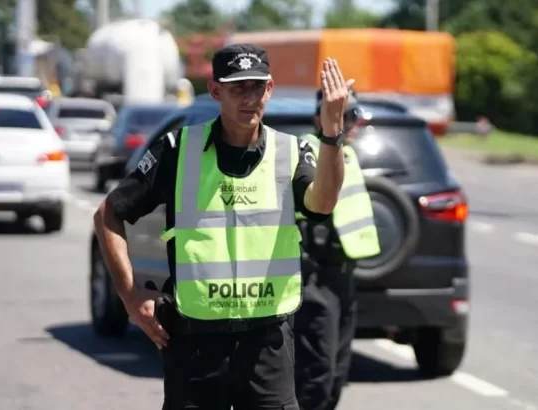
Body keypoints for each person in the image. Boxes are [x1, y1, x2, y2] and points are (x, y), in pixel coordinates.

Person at [92, 43, 354, 410]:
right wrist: (131, 296)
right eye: (237, 88)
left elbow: (323, 202)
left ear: (270, 89)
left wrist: (332, 131)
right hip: (194, 344)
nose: (250, 98)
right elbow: (108, 215)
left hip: (267, 342)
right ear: (216, 91)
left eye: (257, 87)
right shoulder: (178, 149)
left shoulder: (290, 151)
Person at [293, 88, 381, 410]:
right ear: (320, 117)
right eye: (343, 116)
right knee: (316, 373)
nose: (351, 123)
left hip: (344, 277)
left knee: (337, 374)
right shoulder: (307, 149)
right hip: (315, 275)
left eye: (354, 115)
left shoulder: (348, 154)